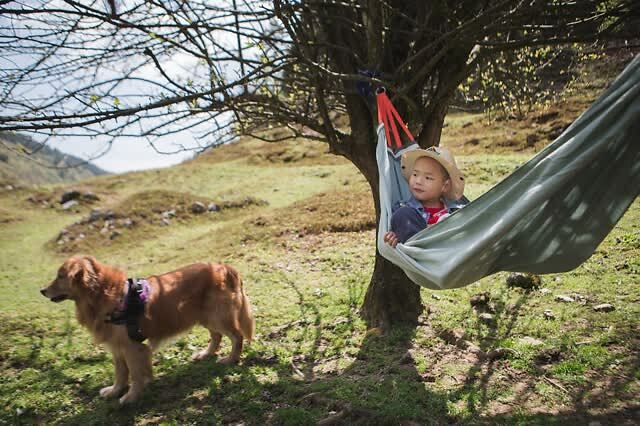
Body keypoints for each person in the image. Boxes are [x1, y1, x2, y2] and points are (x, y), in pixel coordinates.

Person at [384, 146, 467, 247]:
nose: (418, 181)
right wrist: (395, 236)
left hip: (448, 252)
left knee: (457, 219)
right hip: (419, 254)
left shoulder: (456, 211)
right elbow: (403, 228)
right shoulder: (404, 210)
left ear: (445, 186)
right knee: (402, 215)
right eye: (415, 174)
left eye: (428, 178)